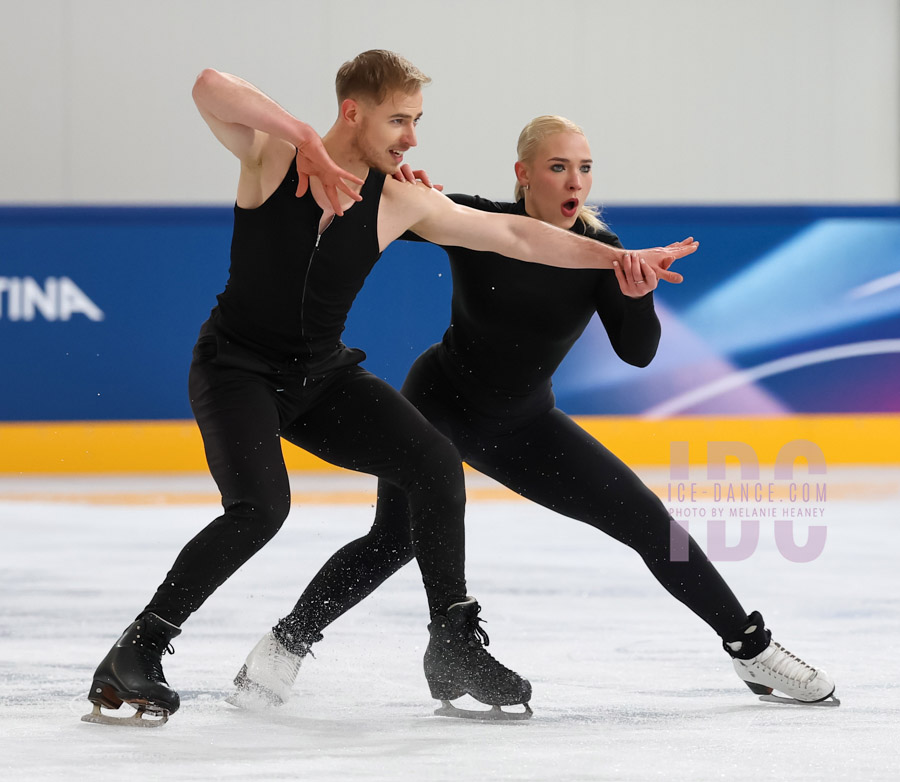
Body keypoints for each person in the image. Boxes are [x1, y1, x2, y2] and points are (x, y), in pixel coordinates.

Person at [82, 53, 699, 727]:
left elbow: (518, 235)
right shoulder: (273, 156)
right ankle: (140, 647)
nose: (411, 137)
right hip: (236, 368)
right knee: (260, 508)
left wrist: (620, 260)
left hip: (320, 374)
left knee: (435, 462)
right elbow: (208, 86)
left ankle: (454, 644)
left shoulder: (398, 197)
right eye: (400, 119)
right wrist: (305, 138)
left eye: (416, 120)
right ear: (355, 112)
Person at [230, 115, 838, 714]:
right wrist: (395, 180)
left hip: (521, 424)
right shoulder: (476, 221)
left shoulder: (602, 254)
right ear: (524, 174)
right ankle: (283, 646)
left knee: (651, 523)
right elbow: (378, 209)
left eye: (585, 168)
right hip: (438, 402)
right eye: (558, 167)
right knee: (393, 540)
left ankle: (749, 647)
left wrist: (639, 299)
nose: (575, 181)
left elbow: (639, 352)